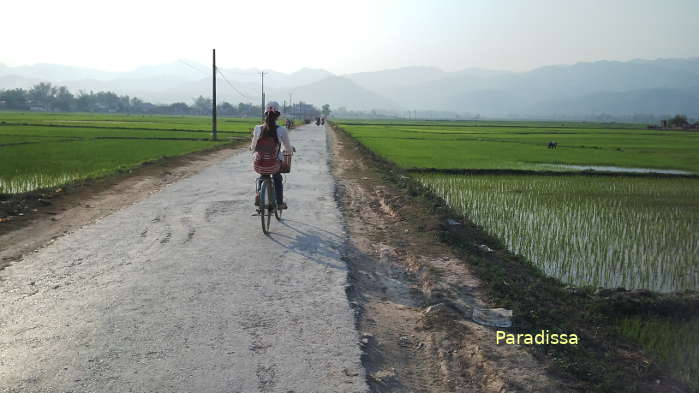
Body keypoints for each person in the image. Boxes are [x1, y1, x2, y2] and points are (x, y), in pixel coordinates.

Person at [250, 101, 293, 209]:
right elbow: (287, 148)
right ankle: (279, 203)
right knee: (277, 178)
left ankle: (259, 195)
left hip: (259, 164)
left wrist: (251, 148)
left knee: (263, 175)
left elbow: (253, 146)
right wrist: (291, 150)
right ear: (278, 116)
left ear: (265, 114)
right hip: (274, 164)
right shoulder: (282, 130)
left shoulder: (257, 128)